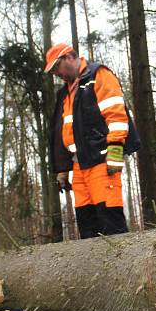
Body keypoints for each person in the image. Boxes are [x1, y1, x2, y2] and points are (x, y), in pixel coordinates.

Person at [45, 43, 140, 238]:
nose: (56, 73)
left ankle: (121, 264)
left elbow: (117, 118)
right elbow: (62, 132)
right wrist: (63, 169)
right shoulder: (64, 93)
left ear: (69, 57)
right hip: (79, 165)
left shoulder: (98, 76)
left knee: (110, 221)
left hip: (101, 161)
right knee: (86, 222)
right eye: (53, 70)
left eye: (57, 67)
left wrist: (114, 155)